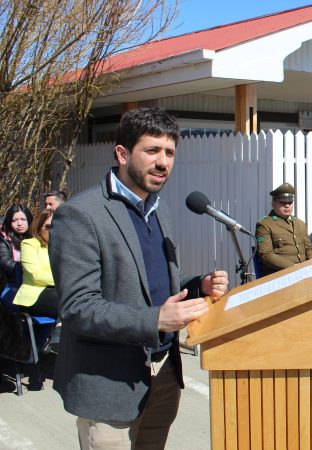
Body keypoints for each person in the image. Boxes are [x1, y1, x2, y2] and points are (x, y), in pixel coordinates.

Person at [50, 108, 229, 448]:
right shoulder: (80, 215)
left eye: (170, 153)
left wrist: (197, 284)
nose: (163, 162)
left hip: (163, 373)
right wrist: (157, 318)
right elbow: (78, 307)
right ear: (122, 153)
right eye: (152, 151)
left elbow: (154, 281)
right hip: (108, 383)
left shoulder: (160, 210)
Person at [255, 183, 312, 277]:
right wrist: (294, 268)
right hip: (280, 275)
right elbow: (266, 255)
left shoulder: (299, 223)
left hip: (304, 273)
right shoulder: (265, 224)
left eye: (290, 202)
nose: (287, 206)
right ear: (273, 203)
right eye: (283, 203)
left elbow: (309, 249)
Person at [14, 209, 59, 318]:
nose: (53, 230)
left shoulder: (64, 247)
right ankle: (59, 331)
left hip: (60, 291)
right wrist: (65, 280)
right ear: (39, 228)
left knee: (85, 298)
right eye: (48, 227)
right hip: (34, 294)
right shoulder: (29, 245)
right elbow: (36, 275)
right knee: (70, 301)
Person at [0, 205, 33, 287]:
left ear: (28, 220)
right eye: (14, 220)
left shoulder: (36, 237)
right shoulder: (4, 239)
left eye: (23, 219)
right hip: (12, 284)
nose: (19, 223)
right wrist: (25, 267)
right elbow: (4, 261)